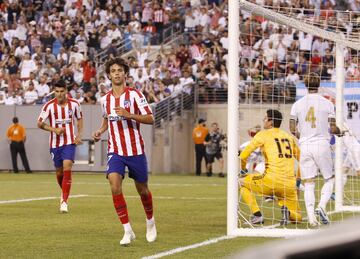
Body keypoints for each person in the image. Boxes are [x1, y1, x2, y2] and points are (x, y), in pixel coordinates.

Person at [91, 57, 156, 246]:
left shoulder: (135, 95)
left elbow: (150, 118)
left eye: (120, 70)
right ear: (109, 75)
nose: (117, 73)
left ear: (125, 74)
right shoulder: (105, 99)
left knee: (143, 190)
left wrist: (130, 115)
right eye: (113, 71)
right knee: (114, 185)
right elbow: (107, 120)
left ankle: (150, 221)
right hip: (115, 150)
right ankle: (127, 230)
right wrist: (100, 131)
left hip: (135, 150)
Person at [290, 72, 339, 226]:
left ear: (305, 85)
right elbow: (332, 128)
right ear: (319, 85)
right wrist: (339, 131)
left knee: (309, 182)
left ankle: (311, 218)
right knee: (330, 178)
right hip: (322, 144)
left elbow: (292, 128)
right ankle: (322, 206)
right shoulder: (327, 103)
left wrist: (303, 135)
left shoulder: (297, 104)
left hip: (304, 145)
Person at [239, 109, 302, 225]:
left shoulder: (263, 134)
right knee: (298, 217)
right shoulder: (289, 137)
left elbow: (243, 156)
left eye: (265, 118)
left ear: (271, 122)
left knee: (239, 183)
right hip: (289, 185)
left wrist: (243, 170)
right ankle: (288, 213)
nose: (263, 120)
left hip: (270, 181)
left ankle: (257, 215)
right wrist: (298, 179)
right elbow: (303, 160)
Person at [37, 80, 83, 213]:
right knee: (59, 172)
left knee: (67, 165)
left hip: (69, 142)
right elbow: (39, 123)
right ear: (54, 92)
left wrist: (79, 135)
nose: (59, 94)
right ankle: (64, 193)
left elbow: (79, 118)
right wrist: (54, 129)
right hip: (55, 144)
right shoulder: (48, 106)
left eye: (62, 91)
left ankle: (64, 201)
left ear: (66, 91)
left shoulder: (75, 104)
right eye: (57, 91)